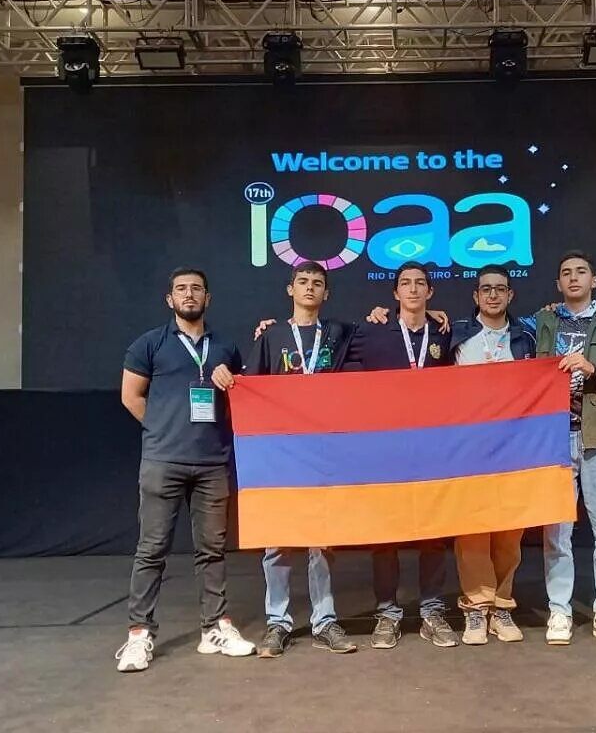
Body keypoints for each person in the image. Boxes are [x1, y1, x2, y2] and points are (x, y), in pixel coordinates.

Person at [115, 267, 255, 673]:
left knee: (212, 550)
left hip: (212, 463)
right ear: (170, 299)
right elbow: (130, 396)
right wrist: (162, 430)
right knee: (152, 549)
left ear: (207, 298)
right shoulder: (149, 344)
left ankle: (214, 628)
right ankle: (139, 634)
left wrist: (230, 382)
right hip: (163, 462)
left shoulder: (225, 346)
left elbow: (238, 399)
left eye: (196, 289)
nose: (189, 294)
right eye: (181, 289)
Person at [518, 251, 596, 647]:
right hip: (552, 438)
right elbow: (496, 329)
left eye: (581, 272)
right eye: (566, 273)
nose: (573, 278)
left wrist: (592, 368)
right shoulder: (541, 321)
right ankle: (560, 610)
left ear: (594, 280)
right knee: (556, 533)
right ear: (558, 283)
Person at [241, 260, 357, 658]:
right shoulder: (272, 336)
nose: (310, 287)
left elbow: (382, 336)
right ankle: (278, 622)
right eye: (302, 282)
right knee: (277, 540)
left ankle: (325, 620)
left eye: (317, 283)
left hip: (323, 450)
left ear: (326, 293)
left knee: (321, 540)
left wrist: (387, 312)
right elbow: (251, 387)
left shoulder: (339, 333)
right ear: (290, 290)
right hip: (280, 450)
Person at [346, 261, 458, 649]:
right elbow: (329, 346)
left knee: (433, 534)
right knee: (385, 534)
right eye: (405, 284)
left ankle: (432, 611)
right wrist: (268, 327)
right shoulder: (372, 332)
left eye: (420, 283)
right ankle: (387, 613)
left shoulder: (446, 331)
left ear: (430, 291)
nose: (413, 289)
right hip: (386, 450)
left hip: (432, 449)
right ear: (395, 293)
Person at [448, 265, 535, 646]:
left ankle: (501, 605)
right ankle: (476, 606)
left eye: (501, 289)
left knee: (509, 530)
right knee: (472, 529)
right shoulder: (456, 334)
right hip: (468, 447)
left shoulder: (526, 337)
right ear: (476, 296)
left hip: (514, 447)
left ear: (510, 294)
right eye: (486, 289)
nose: (494, 295)